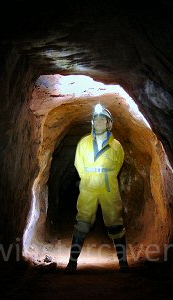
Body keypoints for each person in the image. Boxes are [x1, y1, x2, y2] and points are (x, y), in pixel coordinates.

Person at [65, 103, 129, 273]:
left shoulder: (117, 146)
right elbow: (79, 164)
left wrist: (105, 177)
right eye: (96, 119)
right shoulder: (84, 143)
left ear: (109, 123)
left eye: (103, 119)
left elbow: (117, 166)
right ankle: (72, 263)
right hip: (89, 187)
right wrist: (89, 179)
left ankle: (123, 263)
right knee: (82, 222)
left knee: (115, 222)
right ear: (93, 122)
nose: (99, 121)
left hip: (109, 188)